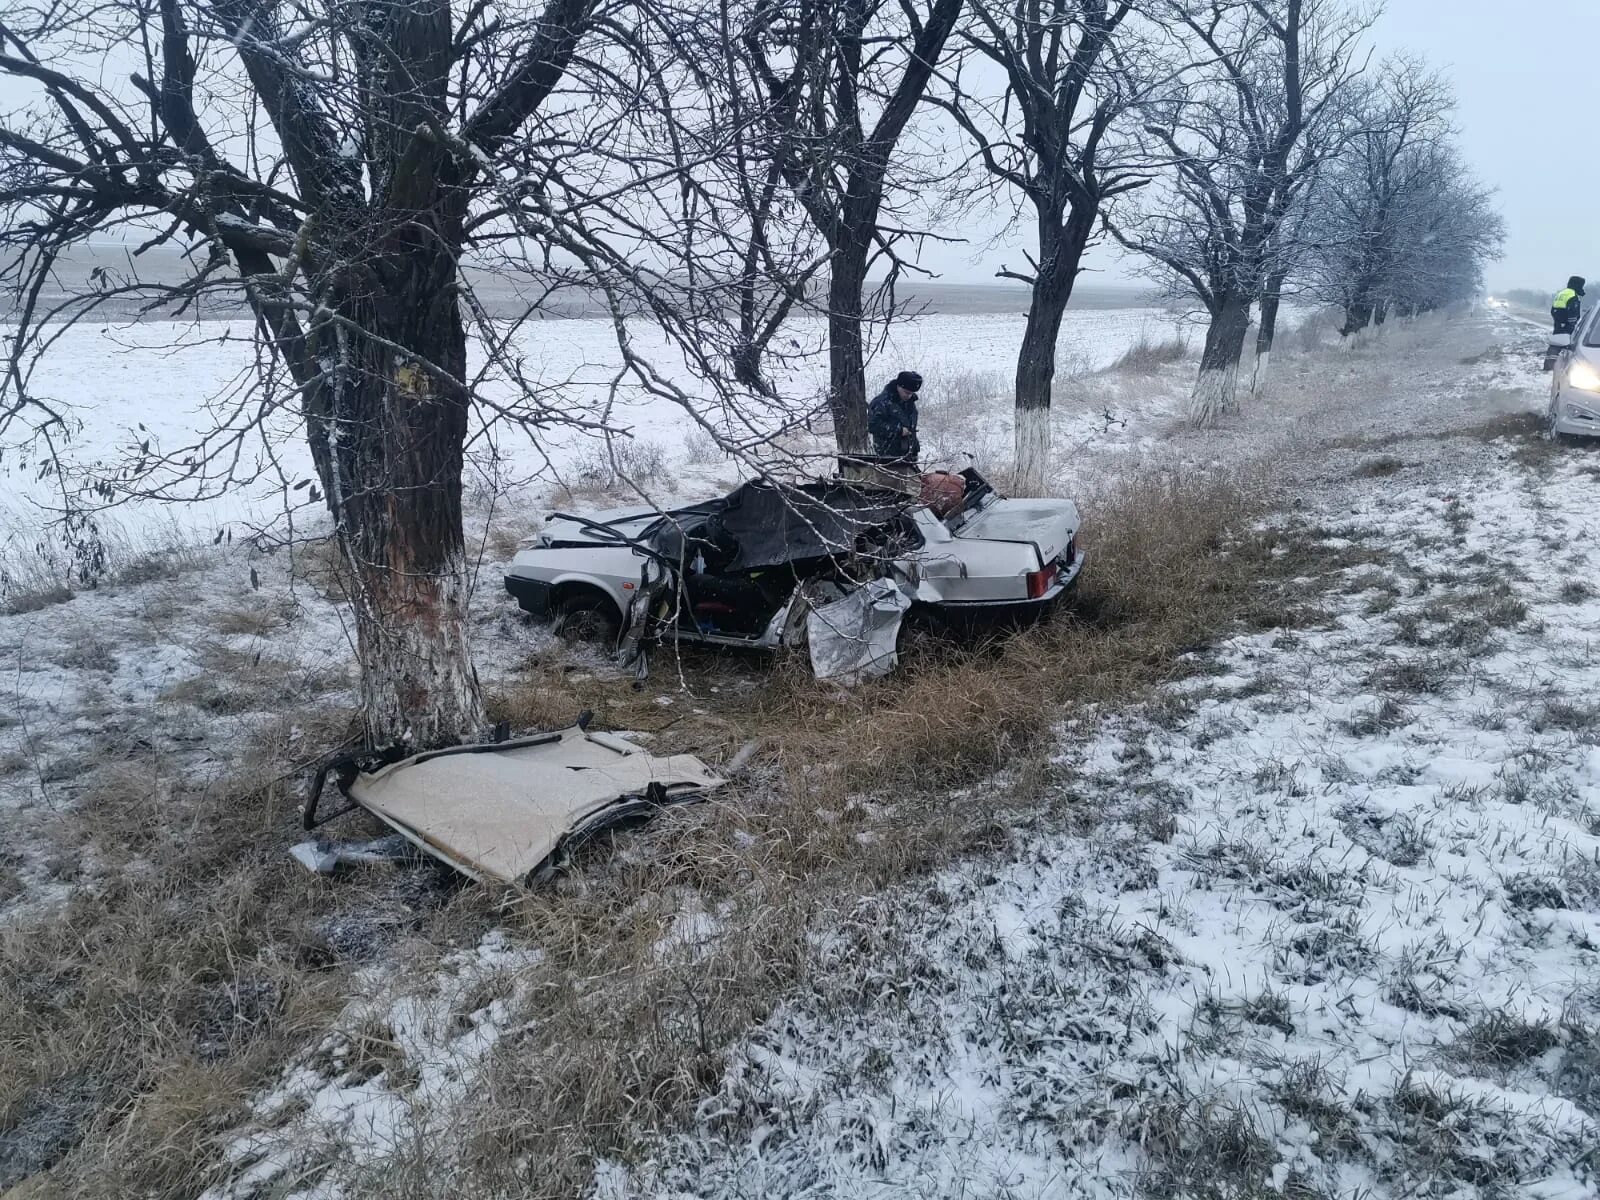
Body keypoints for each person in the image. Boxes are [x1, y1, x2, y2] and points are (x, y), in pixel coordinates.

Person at [868, 370, 922, 463]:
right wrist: (899, 430)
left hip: (909, 457)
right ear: (898, 386)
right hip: (887, 458)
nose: (908, 396)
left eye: (911, 393)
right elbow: (873, 426)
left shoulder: (910, 404)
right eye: (906, 392)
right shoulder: (881, 402)